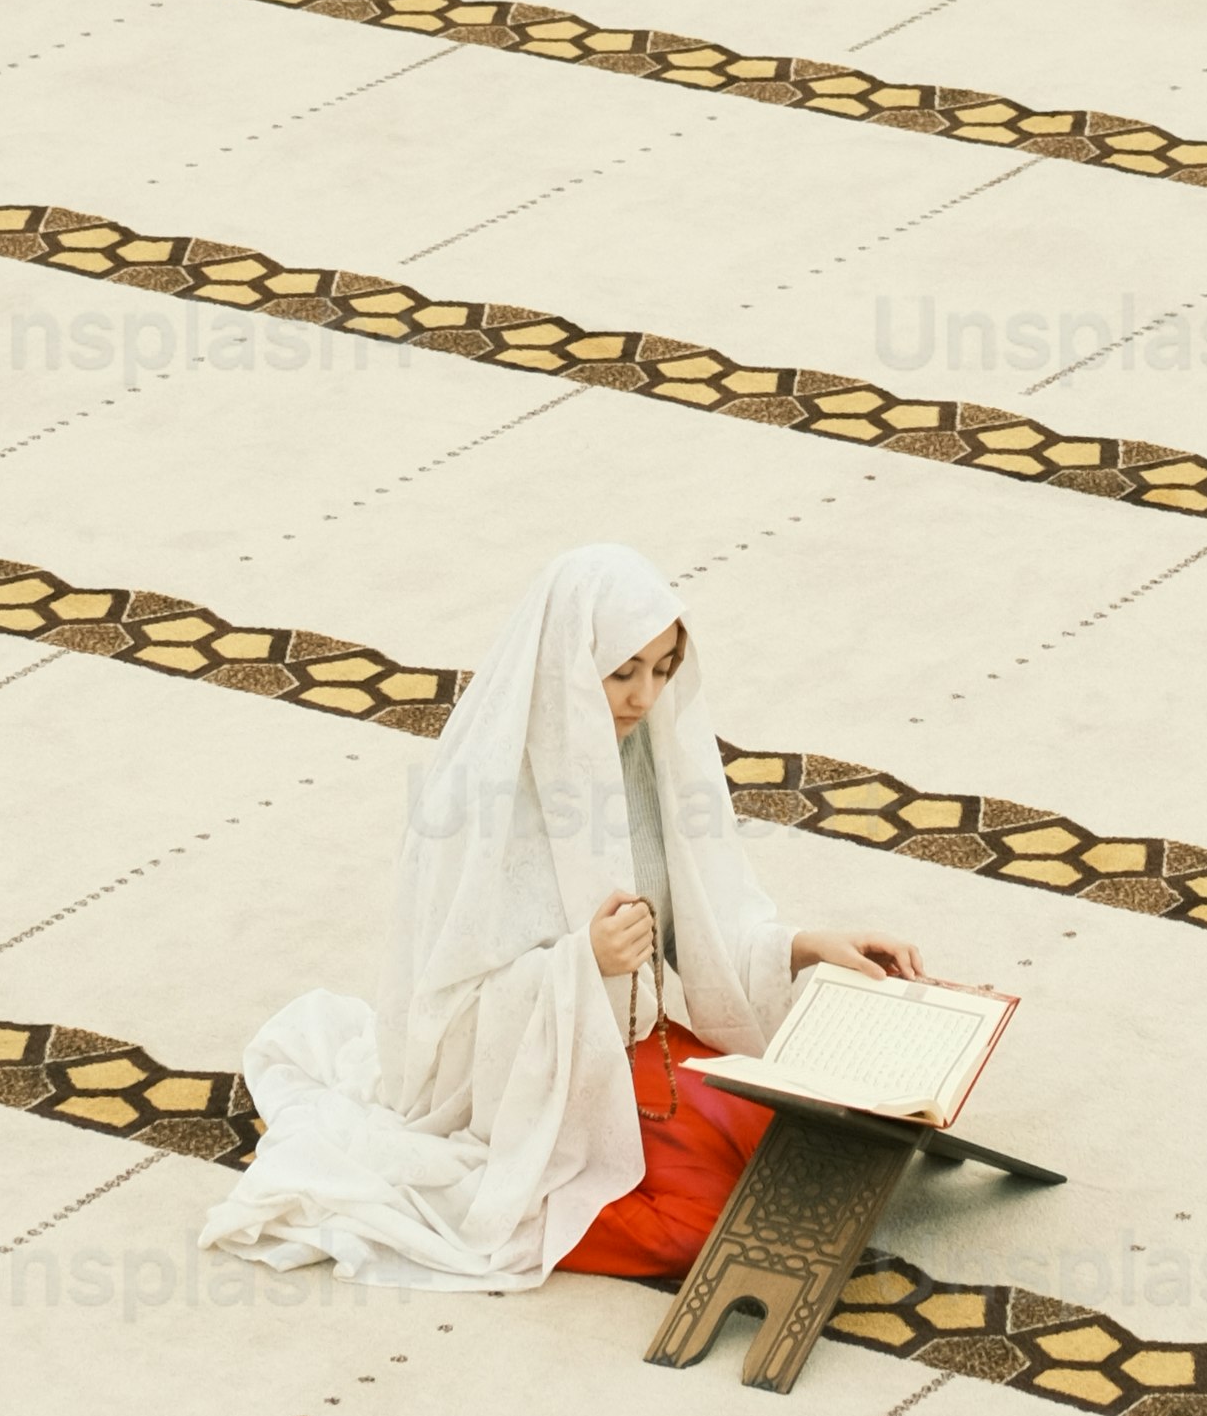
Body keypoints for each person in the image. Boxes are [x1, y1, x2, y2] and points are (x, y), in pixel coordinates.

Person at [204, 539, 920, 1294]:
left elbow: (701, 936)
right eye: (623, 673)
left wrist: (805, 946)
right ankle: (541, 1205)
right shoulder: (473, 795)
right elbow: (445, 1017)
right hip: (529, 1074)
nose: (645, 699)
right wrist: (585, 963)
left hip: (639, 1034)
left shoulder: (646, 757)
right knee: (706, 1224)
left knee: (792, 1144)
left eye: (663, 670)